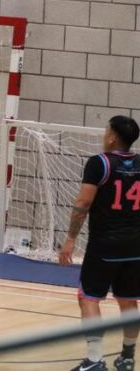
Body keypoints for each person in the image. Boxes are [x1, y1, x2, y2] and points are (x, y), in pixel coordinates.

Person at [59, 115, 140, 371]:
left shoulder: (99, 163)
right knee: (129, 301)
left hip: (105, 245)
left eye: (106, 131)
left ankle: (94, 360)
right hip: (135, 245)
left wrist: (70, 238)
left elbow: (83, 202)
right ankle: (127, 357)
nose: (104, 135)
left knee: (88, 298)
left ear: (113, 136)